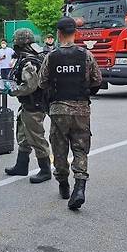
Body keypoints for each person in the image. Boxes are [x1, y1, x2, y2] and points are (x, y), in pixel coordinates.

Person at [38, 16, 102, 210]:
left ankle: (63, 184)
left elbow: (42, 82)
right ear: (75, 33)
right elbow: (97, 79)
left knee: (59, 148)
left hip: (58, 109)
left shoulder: (52, 56)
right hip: (81, 108)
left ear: (58, 34)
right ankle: (80, 187)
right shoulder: (86, 55)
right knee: (80, 148)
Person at [1, 28, 51, 183]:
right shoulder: (36, 55)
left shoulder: (29, 60)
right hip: (29, 104)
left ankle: (45, 170)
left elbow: (30, 86)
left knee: (36, 138)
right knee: (23, 136)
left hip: (34, 105)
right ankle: (21, 166)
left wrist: (12, 90)